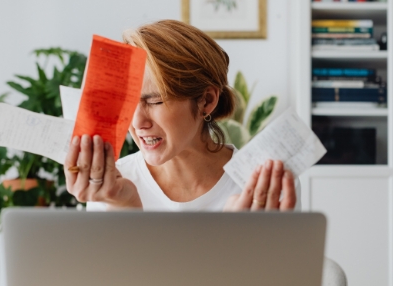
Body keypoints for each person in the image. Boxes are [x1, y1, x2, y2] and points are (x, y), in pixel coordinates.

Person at [64, 19, 300, 211]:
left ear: (206, 101)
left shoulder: (263, 185)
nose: (137, 123)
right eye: (128, 103)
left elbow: (288, 270)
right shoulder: (111, 184)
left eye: (155, 100)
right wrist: (125, 208)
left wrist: (238, 238)